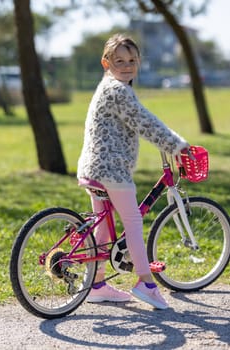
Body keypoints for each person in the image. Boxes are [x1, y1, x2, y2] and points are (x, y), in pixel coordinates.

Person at [77, 33, 190, 310]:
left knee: (103, 227)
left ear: (138, 62)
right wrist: (177, 146)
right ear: (106, 63)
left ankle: (96, 284)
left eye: (132, 60)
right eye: (119, 61)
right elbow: (144, 122)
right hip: (111, 170)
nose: (127, 65)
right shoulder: (117, 90)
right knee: (133, 222)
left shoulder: (110, 87)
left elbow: (135, 121)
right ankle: (146, 284)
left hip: (93, 167)